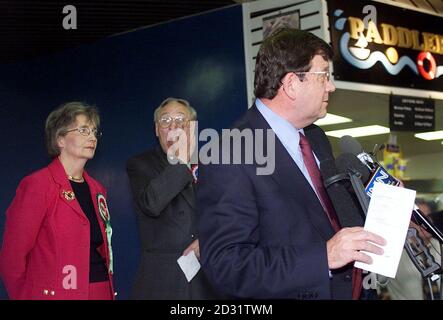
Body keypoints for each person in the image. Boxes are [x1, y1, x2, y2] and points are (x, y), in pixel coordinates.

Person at [197, 28, 386, 300]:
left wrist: (378, 206)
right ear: (291, 84)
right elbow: (227, 267)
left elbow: (327, 220)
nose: (331, 87)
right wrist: (323, 257)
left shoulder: (316, 138)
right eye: (323, 76)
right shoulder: (229, 153)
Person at [0, 102, 115, 300]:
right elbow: (13, 258)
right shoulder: (37, 185)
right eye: (83, 130)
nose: (92, 137)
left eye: (94, 131)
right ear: (60, 138)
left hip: (100, 290)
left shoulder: (98, 189)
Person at [126, 97, 218, 299]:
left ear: (192, 128)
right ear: (157, 130)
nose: (174, 126)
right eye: (165, 121)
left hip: (208, 279)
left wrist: (209, 240)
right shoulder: (140, 164)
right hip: (164, 281)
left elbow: (227, 214)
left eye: (180, 120)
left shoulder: (211, 165)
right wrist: (182, 159)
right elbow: (152, 203)